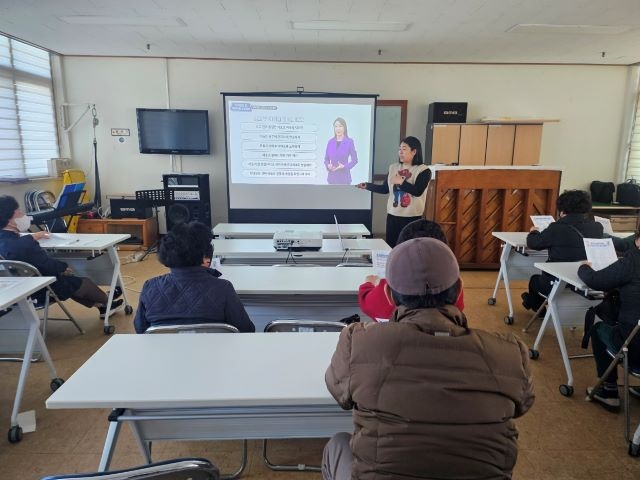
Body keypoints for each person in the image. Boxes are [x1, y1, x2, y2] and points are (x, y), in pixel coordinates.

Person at [323, 238, 535, 480]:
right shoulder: (510, 352)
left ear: (389, 295)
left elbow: (339, 394)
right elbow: (524, 404)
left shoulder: (359, 341)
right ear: (460, 290)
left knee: (338, 445)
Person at [0, 195, 121, 316]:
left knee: (68, 282)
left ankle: (103, 307)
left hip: (13, 291)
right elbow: (47, 265)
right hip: (39, 289)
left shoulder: (11, 241)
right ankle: (107, 299)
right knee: (76, 282)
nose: (23, 214)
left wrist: (33, 236)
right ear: (9, 220)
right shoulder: (25, 244)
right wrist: (63, 267)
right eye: (19, 212)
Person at [134, 221, 255, 334]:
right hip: (214, 349)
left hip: (164, 350)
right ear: (205, 255)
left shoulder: (150, 287)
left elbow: (140, 330)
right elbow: (246, 329)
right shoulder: (224, 288)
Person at [578, 229, 640, 412]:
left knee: (599, 329)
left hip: (636, 350)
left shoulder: (632, 262)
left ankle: (609, 390)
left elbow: (595, 280)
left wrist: (584, 267)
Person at [358, 218, 464, 321]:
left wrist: (368, 284)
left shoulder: (385, 292)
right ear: (459, 288)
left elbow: (365, 302)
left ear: (389, 293)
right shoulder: (451, 286)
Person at [522, 189, 603, 313]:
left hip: (558, 282)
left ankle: (537, 308)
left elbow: (534, 243)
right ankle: (533, 303)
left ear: (562, 210)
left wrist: (534, 231)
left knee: (534, 280)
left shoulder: (556, 228)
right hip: (585, 281)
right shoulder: (597, 227)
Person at [357, 136, 430, 247]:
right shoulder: (393, 168)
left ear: (414, 151)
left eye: (404, 149)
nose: (400, 152)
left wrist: (401, 182)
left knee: (409, 249)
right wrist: (367, 186)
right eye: (399, 149)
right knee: (392, 247)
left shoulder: (423, 170)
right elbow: (385, 189)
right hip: (393, 216)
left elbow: (418, 191)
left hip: (412, 218)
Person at [324, 117, 358, 185]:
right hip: (332, 179)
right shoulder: (330, 142)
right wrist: (328, 165)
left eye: (340, 126)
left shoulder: (349, 142)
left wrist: (344, 166)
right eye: (336, 126)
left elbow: (355, 160)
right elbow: (326, 159)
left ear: (344, 128)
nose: (338, 128)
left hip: (344, 179)